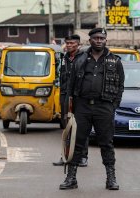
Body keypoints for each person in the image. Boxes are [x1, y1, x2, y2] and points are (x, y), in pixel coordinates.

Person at [59, 28, 125, 190]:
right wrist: (69, 110)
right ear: (90, 40)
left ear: (105, 40)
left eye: (102, 38)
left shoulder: (115, 61)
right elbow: (70, 86)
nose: (99, 40)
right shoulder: (80, 59)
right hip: (82, 106)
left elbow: (120, 86)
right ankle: (71, 178)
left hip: (104, 107)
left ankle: (111, 178)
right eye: (96, 38)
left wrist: (113, 106)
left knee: (106, 143)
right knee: (76, 142)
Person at [53, 34, 89, 167]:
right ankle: (65, 156)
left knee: (80, 127)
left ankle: (82, 157)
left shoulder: (85, 58)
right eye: (67, 43)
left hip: (79, 97)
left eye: (72, 43)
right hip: (64, 95)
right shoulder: (64, 58)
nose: (69, 45)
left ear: (78, 44)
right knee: (66, 126)